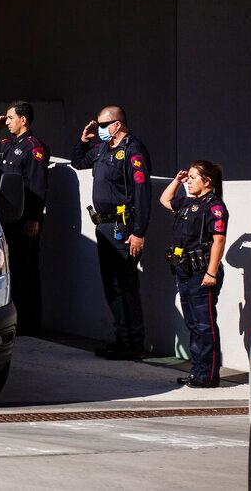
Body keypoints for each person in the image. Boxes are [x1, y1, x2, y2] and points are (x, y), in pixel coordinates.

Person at [70, 105, 152, 360]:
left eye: (103, 125)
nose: (100, 130)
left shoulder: (133, 151)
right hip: (104, 226)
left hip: (123, 227)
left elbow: (143, 194)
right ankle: (120, 337)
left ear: (117, 124)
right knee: (111, 286)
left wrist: (139, 232)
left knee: (125, 285)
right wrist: (84, 140)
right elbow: (77, 161)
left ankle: (133, 342)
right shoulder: (103, 149)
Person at [0, 101, 49, 335]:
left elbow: (38, 187)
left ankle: (31, 323)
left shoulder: (34, 147)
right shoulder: (8, 144)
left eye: (10, 118)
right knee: (9, 270)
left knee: (26, 271)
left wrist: (34, 218)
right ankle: (16, 319)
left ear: (24, 120)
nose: (7, 121)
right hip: (5, 218)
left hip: (23, 221)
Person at [159, 160, 228, 388]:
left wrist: (211, 273)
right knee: (193, 323)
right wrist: (177, 181)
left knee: (204, 325)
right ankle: (198, 372)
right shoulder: (188, 202)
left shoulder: (214, 206)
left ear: (207, 181)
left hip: (202, 273)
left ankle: (208, 376)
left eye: (193, 177)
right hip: (185, 270)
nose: (189, 181)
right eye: (187, 177)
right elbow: (165, 200)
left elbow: (219, 240)